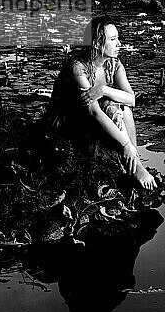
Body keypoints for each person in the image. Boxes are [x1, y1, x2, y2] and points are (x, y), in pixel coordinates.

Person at [46, 15, 156, 190]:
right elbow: (93, 111)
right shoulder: (78, 68)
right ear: (97, 43)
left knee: (124, 107)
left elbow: (131, 99)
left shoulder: (114, 64)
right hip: (68, 120)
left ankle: (136, 162)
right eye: (113, 39)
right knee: (109, 106)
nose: (119, 43)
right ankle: (134, 162)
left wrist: (104, 89)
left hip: (93, 117)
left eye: (117, 38)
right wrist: (125, 144)